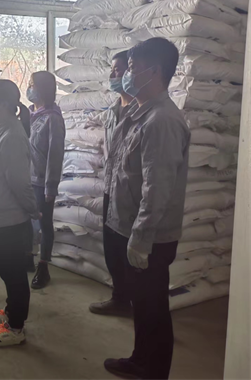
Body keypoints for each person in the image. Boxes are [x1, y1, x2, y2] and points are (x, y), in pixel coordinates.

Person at [102, 38, 190, 380]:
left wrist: (141, 239)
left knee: (153, 307)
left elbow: (157, 189)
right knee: (143, 304)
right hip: (130, 228)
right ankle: (140, 360)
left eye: (132, 68)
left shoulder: (161, 121)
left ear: (153, 71)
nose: (127, 74)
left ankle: (154, 371)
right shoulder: (138, 114)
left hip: (150, 238)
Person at [0, 80, 40, 347]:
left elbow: (19, 183)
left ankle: (15, 328)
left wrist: (32, 210)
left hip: (10, 220)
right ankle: (11, 311)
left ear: (2, 106)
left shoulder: (13, 136)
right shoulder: (1, 129)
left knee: (14, 274)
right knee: (6, 271)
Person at [89, 51, 137, 317]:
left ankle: (137, 304)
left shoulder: (142, 113)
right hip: (110, 188)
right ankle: (119, 298)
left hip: (132, 191)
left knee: (130, 249)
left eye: (118, 70)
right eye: (112, 69)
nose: (112, 74)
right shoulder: (111, 112)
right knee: (112, 248)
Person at [26, 72, 65, 289]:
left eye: (32, 85)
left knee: (44, 223)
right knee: (24, 219)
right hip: (26, 177)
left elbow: (55, 154)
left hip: (42, 181)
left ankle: (43, 267)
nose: (29, 88)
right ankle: (27, 256)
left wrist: (51, 185)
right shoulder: (29, 115)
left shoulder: (52, 118)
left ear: (43, 88)